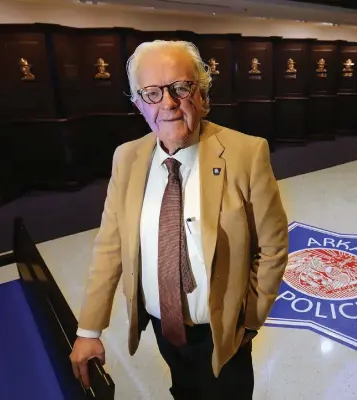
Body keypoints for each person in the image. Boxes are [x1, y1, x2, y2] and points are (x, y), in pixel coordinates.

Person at [69, 40, 289, 399]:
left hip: (223, 331)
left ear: (201, 95)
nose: (168, 104)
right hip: (161, 324)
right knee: (183, 390)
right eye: (152, 93)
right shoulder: (126, 159)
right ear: (139, 104)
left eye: (181, 88)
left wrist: (249, 319)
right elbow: (110, 247)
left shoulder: (248, 153)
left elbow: (273, 246)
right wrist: (89, 330)